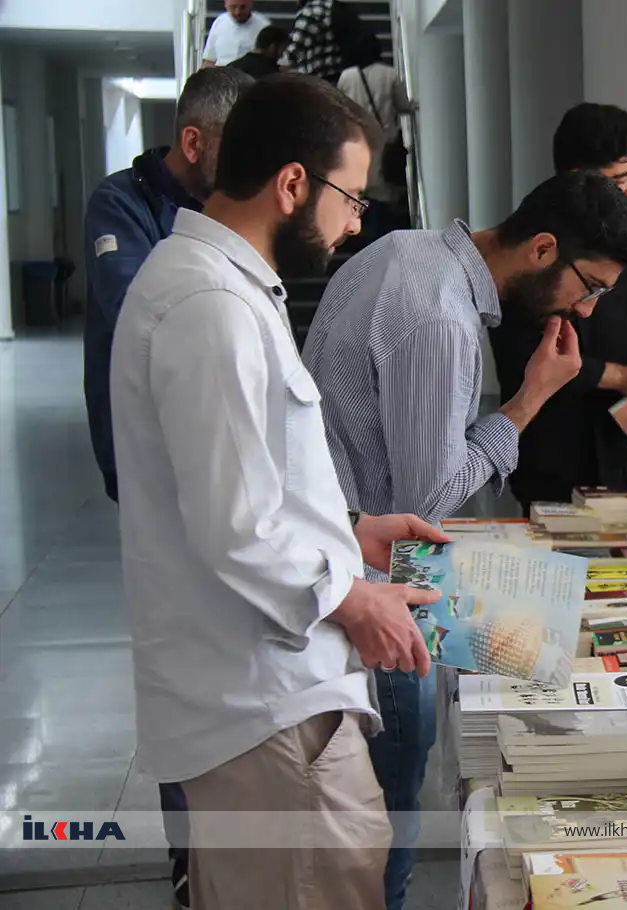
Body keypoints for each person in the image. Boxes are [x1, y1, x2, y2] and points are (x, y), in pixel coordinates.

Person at [108, 73, 445, 910]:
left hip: (274, 692)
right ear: (293, 183)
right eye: (351, 196)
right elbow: (236, 526)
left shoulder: (225, 288)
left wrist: (352, 530)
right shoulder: (208, 304)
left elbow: (254, 480)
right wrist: (355, 600)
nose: (354, 221)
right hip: (264, 705)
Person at [301, 171, 627, 910]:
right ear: (544, 248)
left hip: (348, 558)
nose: (586, 310)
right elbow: (423, 504)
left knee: (364, 831)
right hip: (377, 586)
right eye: (587, 286)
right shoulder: (442, 317)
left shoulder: (405, 251)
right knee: (385, 839)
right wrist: (530, 399)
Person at [82, 67, 251, 908]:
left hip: (212, 463)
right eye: (239, 146)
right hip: (152, 463)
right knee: (181, 657)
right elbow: (145, 313)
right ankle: (191, 862)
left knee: (221, 659)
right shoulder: (123, 204)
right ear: (195, 143)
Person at [488, 103, 627, 511]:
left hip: (619, 445)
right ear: (581, 179)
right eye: (620, 179)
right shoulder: (531, 250)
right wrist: (623, 377)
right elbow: (526, 350)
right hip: (556, 449)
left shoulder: (622, 240)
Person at [337, 33, 413, 237]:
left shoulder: (347, 76)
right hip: (382, 142)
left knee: (357, 190)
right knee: (380, 193)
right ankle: (377, 237)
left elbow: (339, 106)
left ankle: (356, 233)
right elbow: (402, 105)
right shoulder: (389, 75)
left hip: (354, 142)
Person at [285, 0, 365, 83]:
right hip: (343, 77)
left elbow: (295, 47)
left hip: (317, 81)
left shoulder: (310, 12)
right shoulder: (342, 9)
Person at [202, 0, 269, 67]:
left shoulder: (264, 26)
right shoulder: (219, 22)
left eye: (243, 7)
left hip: (251, 74)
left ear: (251, 5)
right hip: (221, 72)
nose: (237, 12)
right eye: (233, 7)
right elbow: (209, 60)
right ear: (225, 5)